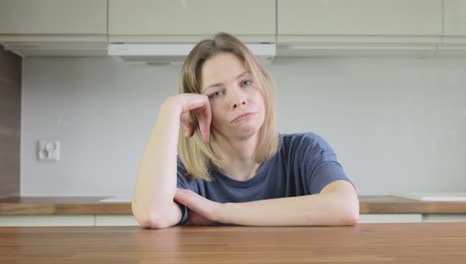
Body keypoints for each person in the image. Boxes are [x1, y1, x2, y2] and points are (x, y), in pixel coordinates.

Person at [132, 32, 359, 228]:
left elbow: (345, 207)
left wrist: (220, 212)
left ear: (263, 86)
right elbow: (153, 214)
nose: (238, 100)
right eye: (217, 93)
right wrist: (170, 109)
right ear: (198, 110)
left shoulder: (305, 150)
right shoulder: (186, 174)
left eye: (246, 83)